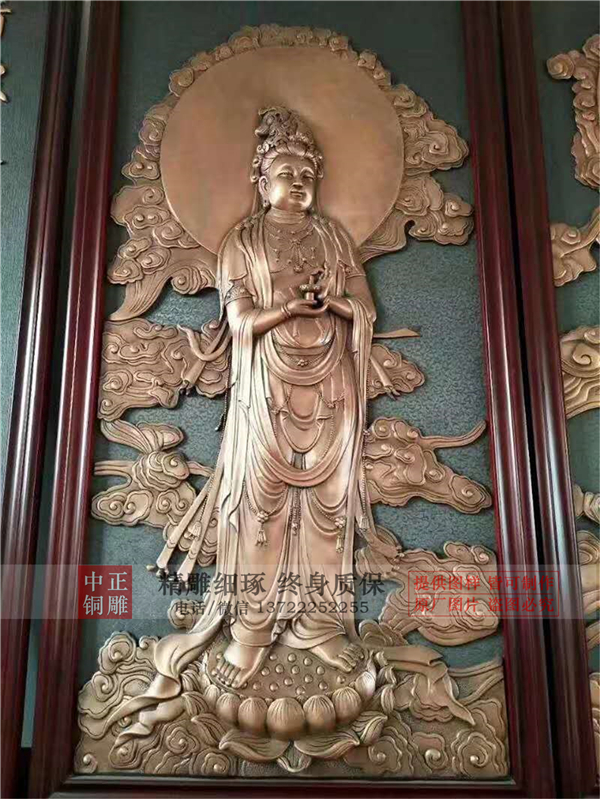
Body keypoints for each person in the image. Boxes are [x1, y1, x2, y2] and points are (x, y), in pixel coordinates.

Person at [106, 107, 377, 735]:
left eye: (307, 173)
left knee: (329, 508)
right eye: (285, 172)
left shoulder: (334, 239)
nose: (298, 182)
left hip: (331, 389)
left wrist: (333, 302)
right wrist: (286, 309)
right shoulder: (243, 242)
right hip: (266, 389)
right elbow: (239, 319)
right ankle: (251, 630)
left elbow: (362, 305)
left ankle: (320, 625)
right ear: (261, 180)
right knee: (261, 505)